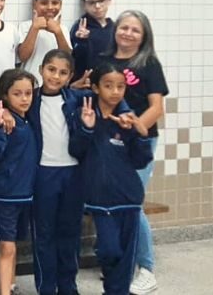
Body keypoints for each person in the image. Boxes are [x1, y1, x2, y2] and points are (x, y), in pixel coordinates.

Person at [68, 63, 153, 295]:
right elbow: (76, 150)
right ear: (95, 88)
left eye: (120, 86)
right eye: (108, 86)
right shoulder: (84, 114)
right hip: (99, 200)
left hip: (129, 199)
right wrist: (87, 128)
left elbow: (140, 161)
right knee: (109, 250)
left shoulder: (127, 121)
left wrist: (140, 134)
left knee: (126, 256)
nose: (115, 91)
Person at [100, 10, 168, 294]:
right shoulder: (104, 61)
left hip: (138, 142)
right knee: (113, 203)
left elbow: (157, 108)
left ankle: (146, 268)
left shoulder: (148, 63)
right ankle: (121, 265)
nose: (127, 33)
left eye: (135, 30)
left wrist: (136, 126)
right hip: (107, 142)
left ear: (144, 35)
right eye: (123, 27)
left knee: (132, 205)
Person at [28, 50, 89, 295]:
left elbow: (85, 140)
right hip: (43, 175)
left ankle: (68, 286)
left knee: (70, 233)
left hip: (72, 175)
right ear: (41, 69)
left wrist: (87, 128)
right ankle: (46, 287)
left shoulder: (76, 100)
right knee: (43, 234)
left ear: (70, 76)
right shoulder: (29, 99)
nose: (55, 76)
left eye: (63, 72)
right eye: (51, 69)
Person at [0, 69, 39, 295]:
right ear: (5, 95)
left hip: (26, 193)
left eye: (28, 93)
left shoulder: (26, 119)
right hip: (4, 195)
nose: (24, 98)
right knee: (6, 245)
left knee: (14, 243)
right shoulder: (3, 122)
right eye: (17, 94)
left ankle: (11, 285)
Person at [17, 0, 71, 85]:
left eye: (55, 3)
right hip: (30, 85)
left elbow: (68, 58)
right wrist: (35, 28)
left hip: (55, 85)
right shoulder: (25, 27)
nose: (50, 7)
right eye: (44, 3)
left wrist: (58, 32)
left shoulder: (62, 29)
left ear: (60, 4)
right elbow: (22, 56)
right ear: (34, 4)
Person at [69, 0, 113, 80]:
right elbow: (74, 60)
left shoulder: (115, 28)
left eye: (101, 1)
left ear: (109, 0)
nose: (97, 6)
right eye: (92, 2)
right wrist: (81, 41)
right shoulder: (80, 27)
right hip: (85, 83)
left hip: (111, 82)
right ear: (84, 4)